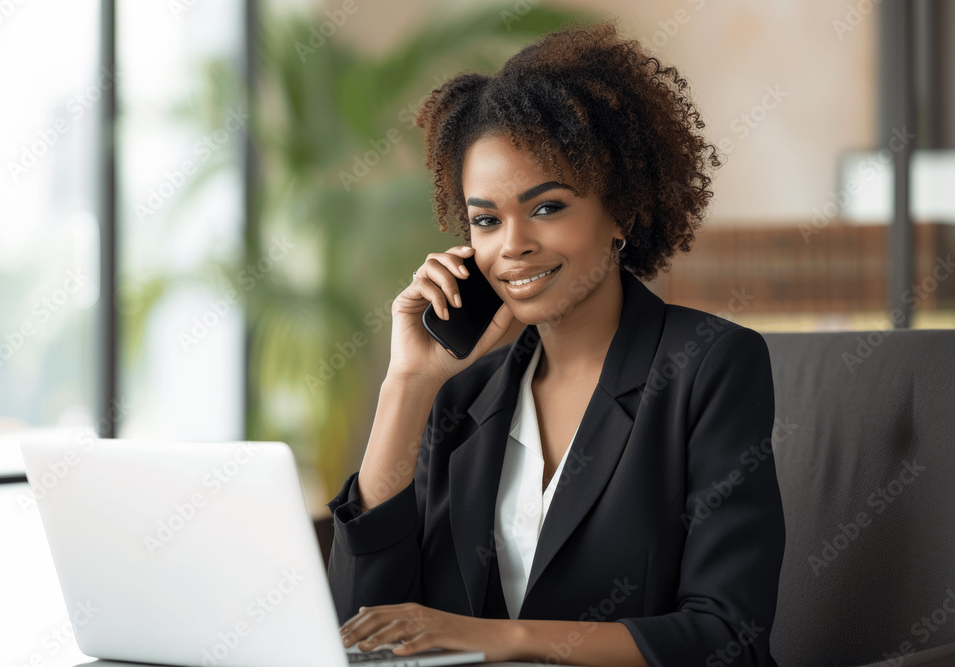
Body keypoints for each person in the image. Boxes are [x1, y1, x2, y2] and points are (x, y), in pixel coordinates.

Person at [326, 19, 785, 667]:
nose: (512, 244)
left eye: (547, 207)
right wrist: (408, 384)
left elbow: (727, 634)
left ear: (621, 211)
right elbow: (362, 627)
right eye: (486, 219)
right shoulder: (464, 393)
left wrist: (500, 637)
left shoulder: (708, 366)